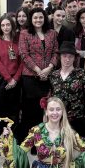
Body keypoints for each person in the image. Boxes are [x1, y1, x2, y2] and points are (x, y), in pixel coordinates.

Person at [18, 8, 59, 141]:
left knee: (45, 109)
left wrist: (49, 68)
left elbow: (56, 52)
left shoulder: (52, 33)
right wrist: (38, 70)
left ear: (45, 18)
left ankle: (43, 140)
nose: (38, 20)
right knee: (30, 111)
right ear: (31, 19)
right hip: (30, 77)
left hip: (48, 76)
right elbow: (24, 54)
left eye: (41, 17)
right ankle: (29, 141)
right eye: (35, 17)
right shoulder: (24, 33)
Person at [0, 15, 22, 129]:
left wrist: (15, 79)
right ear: (0, 27)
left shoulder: (18, 41)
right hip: (1, 79)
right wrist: (9, 79)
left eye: (8, 24)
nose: (5, 27)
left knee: (15, 109)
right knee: (2, 110)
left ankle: (13, 135)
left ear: (12, 26)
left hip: (16, 80)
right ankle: (1, 135)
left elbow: (22, 62)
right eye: (3, 25)